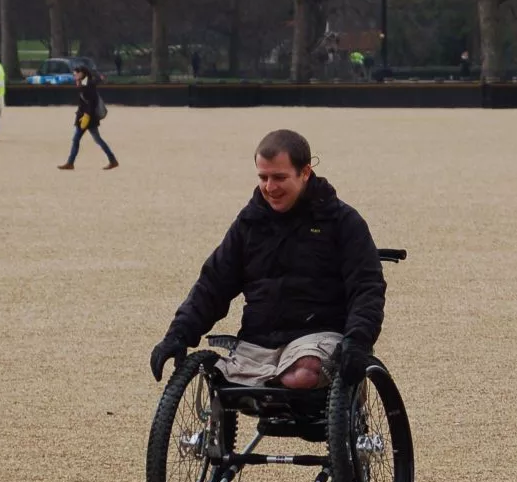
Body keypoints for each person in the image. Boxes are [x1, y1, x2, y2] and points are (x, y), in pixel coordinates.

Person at [150, 129, 386, 392]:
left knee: (303, 374)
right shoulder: (249, 223)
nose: (270, 188)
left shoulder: (343, 221)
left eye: (279, 177)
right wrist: (178, 334)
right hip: (258, 343)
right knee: (215, 377)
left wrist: (358, 341)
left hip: (318, 338)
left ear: (305, 172)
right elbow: (214, 284)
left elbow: (367, 287)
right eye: (263, 177)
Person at [57, 65, 119, 171]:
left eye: (76, 74)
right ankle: (112, 160)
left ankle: (70, 163)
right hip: (87, 117)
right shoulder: (85, 83)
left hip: (87, 117)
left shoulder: (87, 85)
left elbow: (90, 102)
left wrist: (86, 115)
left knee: (78, 139)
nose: (74, 76)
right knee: (96, 139)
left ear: (82, 74)